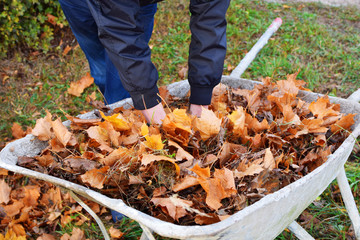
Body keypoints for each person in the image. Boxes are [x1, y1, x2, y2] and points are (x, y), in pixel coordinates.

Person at [60, 0, 230, 125]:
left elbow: (210, 19)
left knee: (117, 80)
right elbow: (120, 32)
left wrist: (201, 95)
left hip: (135, 4)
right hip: (79, 4)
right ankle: (117, 109)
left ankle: (122, 118)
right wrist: (147, 100)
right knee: (101, 68)